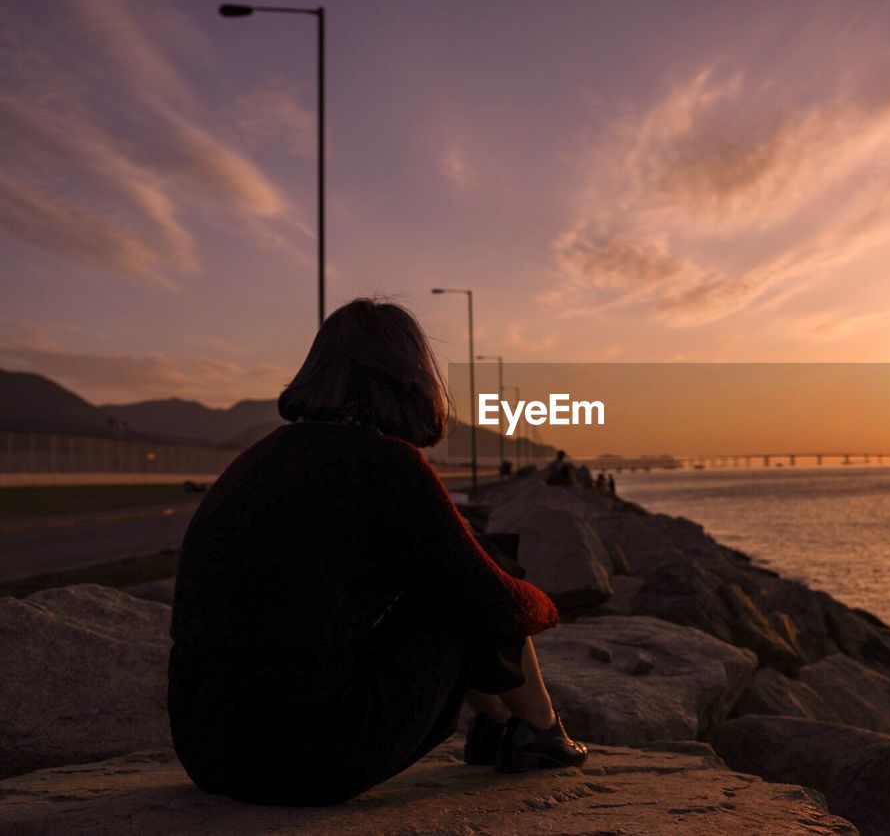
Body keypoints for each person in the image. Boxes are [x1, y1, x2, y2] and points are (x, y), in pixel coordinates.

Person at [167, 298, 587, 807]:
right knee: (473, 582)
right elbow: (493, 601)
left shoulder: (262, 456)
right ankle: (541, 730)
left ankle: (499, 725)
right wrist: (544, 605)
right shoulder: (385, 464)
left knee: (456, 568)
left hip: (207, 747)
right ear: (410, 377)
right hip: (304, 758)